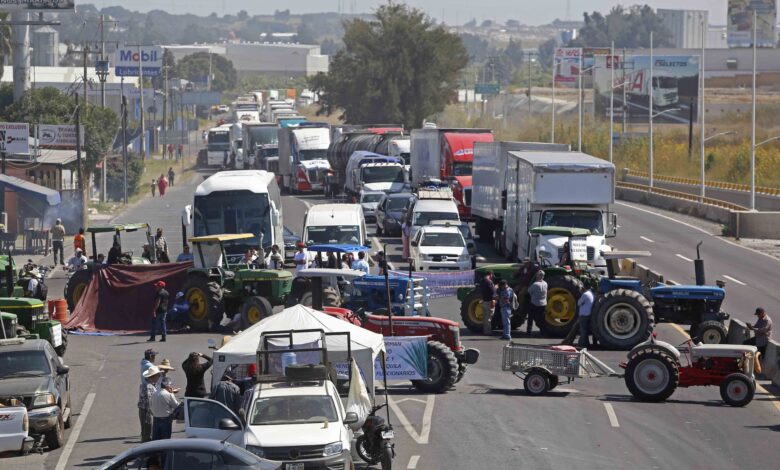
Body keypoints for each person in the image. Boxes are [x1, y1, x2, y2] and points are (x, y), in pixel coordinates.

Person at [138, 366, 161, 443]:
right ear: (152, 377)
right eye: (158, 375)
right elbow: (149, 403)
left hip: (143, 410)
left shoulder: (145, 384)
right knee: (147, 433)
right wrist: (149, 417)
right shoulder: (149, 387)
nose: (159, 377)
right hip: (146, 412)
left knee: (145, 432)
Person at [527, 271, 548, 335]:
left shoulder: (535, 284)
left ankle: (529, 331)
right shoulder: (545, 283)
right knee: (542, 318)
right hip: (543, 303)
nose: (536, 276)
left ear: (538, 276)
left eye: (537, 275)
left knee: (530, 317)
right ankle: (543, 331)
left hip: (535, 303)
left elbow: (529, 291)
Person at [479, 271, 496, 335]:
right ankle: (488, 332)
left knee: (485, 316)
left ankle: (485, 330)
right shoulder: (489, 282)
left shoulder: (482, 281)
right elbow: (492, 292)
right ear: (491, 274)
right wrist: (495, 288)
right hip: (489, 301)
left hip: (484, 300)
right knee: (489, 316)